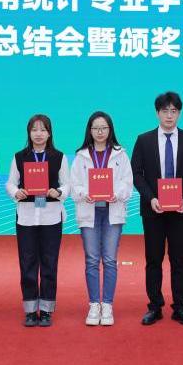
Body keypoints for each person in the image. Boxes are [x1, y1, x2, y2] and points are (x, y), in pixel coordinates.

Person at [132, 91, 183, 327]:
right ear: (157, 113)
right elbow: (136, 173)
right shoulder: (144, 140)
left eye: (174, 111)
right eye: (165, 111)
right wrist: (151, 198)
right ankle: (154, 306)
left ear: (179, 113)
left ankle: (180, 307)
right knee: (153, 259)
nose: (169, 115)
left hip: (180, 210)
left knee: (179, 259)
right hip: (153, 209)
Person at [5, 114, 71, 328]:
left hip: (51, 216)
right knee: (28, 263)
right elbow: (10, 183)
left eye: (43, 129)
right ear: (29, 133)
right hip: (26, 216)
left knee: (49, 263)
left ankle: (47, 310)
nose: (39, 134)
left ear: (49, 133)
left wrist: (58, 192)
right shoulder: (19, 157)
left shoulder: (59, 157)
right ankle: (30, 310)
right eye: (34, 130)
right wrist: (16, 192)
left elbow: (67, 184)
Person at [71, 112, 133, 326]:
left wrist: (117, 193)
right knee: (91, 259)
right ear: (89, 130)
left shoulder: (120, 154)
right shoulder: (81, 156)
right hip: (89, 210)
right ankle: (93, 304)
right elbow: (74, 185)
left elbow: (128, 183)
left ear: (110, 130)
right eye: (96, 128)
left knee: (109, 259)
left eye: (104, 128)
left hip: (112, 211)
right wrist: (84, 193)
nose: (100, 132)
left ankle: (107, 304)